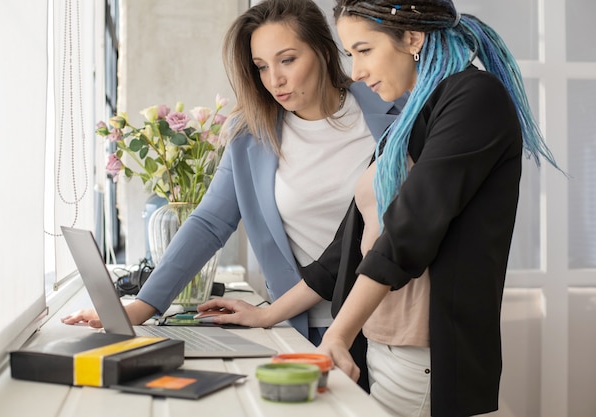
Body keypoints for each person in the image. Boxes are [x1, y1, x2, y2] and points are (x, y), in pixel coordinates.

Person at [61, 0, 405, 391]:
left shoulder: (393, 110)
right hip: (304, 327)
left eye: (287, 60)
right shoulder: (251, 136)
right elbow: (210, 223)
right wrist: (144, 305)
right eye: (261, 66)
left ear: (325, 51)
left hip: (389, 324)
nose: (274, 79)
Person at [307, 1, 562, 417]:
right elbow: (349, 246)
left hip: (421, 357)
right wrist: (265, 316)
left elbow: (409, 230)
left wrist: (337, 333)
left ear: (411, 37)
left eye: (364, 50)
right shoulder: (417, 111)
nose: (356, 72)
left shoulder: (475, 97)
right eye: (351, 54)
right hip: (382, 345)